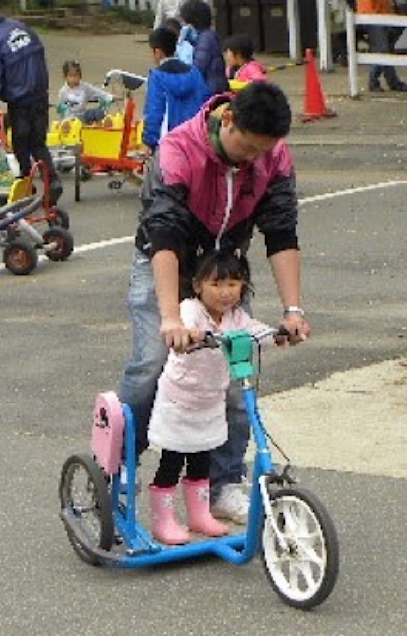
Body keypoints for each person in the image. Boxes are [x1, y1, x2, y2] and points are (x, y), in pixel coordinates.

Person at [116, 81, 310, 524]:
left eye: (264, 151)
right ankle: (118, 467)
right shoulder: (178, 149)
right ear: (227, 120)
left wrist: (292, 310)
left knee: (235, 374)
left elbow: (281, 232)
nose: (253, 160)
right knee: (151, 365)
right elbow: (162, 234)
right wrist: (171, 317)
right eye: (248, 147)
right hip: (167, 260)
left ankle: (222, 485)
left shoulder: (272, 157)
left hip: (222, 272)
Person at [146, 249, 286, 544]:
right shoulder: (189, 309)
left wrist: (280, 335)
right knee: (172, 460)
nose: (225, 293)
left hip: (210, 402)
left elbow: (257, 333)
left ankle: (199, 514)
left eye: (233, 285)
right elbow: (181, 327)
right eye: (216, 285)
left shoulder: (237, 317)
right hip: (180, 402)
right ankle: (164, 520)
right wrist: (188, 334)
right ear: (198, 285)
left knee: (202, 459)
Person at [0, 0, 63, 205]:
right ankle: (52, 181)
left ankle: (25, 186)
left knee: (21, 144)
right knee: (38, 142)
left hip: (20, 99)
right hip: (40, 94)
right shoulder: (21, 28)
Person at [142, 27, 210, 152]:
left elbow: (154, 111)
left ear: (158, 52)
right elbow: (205, 101)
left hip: (170, 143)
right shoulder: (194, 72)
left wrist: (148, 141)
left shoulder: (157, 76)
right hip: (196, 139)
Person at [355, 0, 407, 93]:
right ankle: (375, 81)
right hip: (371, 15)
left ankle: (392, 81)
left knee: (385, 49)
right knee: (382, 49)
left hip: (382, 13)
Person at [179, 0, 228, 96]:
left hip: (210, 91)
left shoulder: (206, 38)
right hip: (211, 87)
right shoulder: (201, 36)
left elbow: (198, 68)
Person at [57, 60, 114, 125]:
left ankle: (105, 122)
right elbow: (61, 109)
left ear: (80, 76)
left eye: (76, 76)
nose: (73, 78)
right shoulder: (63, 91)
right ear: (65, 77)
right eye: (70, 76)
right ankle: (66, 126)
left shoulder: (84, 87)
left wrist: (110, 96)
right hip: (71, 118)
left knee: (96, 112)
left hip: (83, 115)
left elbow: (98, 92)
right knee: (68, 120)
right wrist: (61, 120)